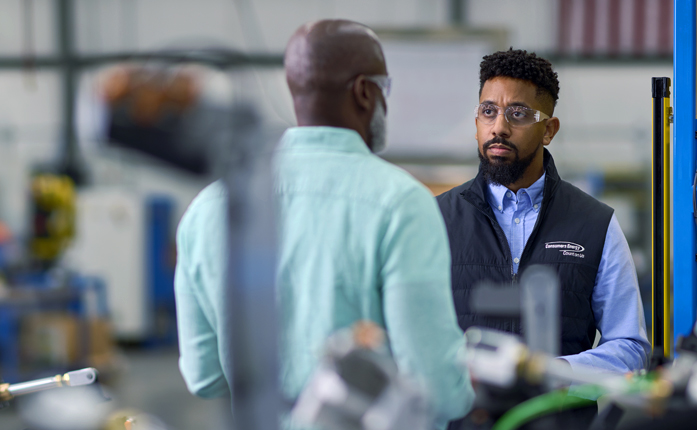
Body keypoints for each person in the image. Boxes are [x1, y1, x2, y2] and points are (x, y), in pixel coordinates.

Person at [174, 19, 474, 428]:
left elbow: (204, 377)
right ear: (365, 93)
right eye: (384, 90)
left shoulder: (210, 208)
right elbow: (436, 388)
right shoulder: (401, 203)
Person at [436, 49, 650, 374]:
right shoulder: (436, 219)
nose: (499, 128)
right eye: (488, 111)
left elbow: (629, 346)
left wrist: (547, 375)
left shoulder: (595, 224)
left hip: (555, 418)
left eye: (518, 113)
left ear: (549, 130)